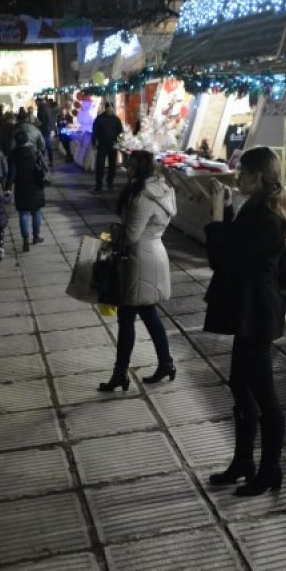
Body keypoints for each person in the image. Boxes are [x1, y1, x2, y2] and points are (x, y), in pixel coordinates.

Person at [204, 146, 286, 496]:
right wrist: (227, 208)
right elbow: (236, 249)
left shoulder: (264, 216)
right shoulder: (258, 208)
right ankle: (243, 461)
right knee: (240, 387)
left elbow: (222, 256)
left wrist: (216, 216)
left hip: (257, 314)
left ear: (256, 178)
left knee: (263, 395)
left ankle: (270, 468)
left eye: (240, 174)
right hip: (251, 311)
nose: (236, 179)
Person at [98, 150, 178, 393]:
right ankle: (164, 363)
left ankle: (121, 374)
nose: (126, 169)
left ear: (140, 169)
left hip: (139, 260)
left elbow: (131, 235)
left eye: (130, 166)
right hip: (154, 253)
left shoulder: (143, 196)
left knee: (128, 318)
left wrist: (114, 234)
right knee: (146, 313)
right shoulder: (164, 189)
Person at [7, 130, 46, 252]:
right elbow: (44, 167)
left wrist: (8, 187)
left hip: (21, 187)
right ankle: (36, 237)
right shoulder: (34, 151)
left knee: (23, 213)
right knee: (36, 212)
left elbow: (12, 173)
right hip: (36, 185)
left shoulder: (13, 154)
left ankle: (25, 239)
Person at [92, 102, 123, 192]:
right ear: (105, 109)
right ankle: (99, 184)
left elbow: (120, 132)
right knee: (100, 165)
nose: (109, 109)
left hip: (113, 145)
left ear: (113, 109)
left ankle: (110, 182)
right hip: (102, 144)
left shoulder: (116, 120)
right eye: (108, 108)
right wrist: (94, 142)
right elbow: (95, 131)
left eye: (111, 108)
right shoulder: (99, 119)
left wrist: (120, 141)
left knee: (112, 165)